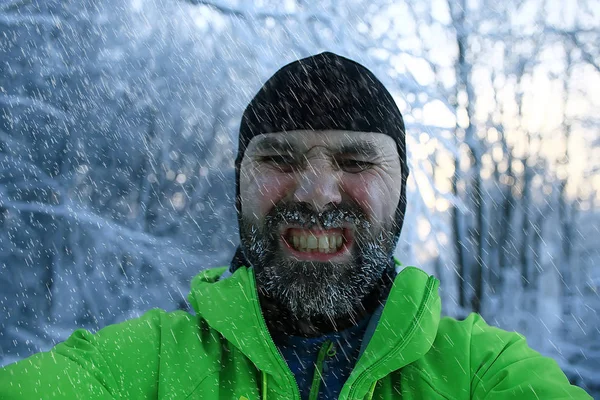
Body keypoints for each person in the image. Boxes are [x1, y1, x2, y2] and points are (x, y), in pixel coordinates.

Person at [0, 52, 591, 400]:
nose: (315, 193)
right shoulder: (148, 368)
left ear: (402, 189)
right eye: (279, 159)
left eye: (356, 161)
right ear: (239, 186)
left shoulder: (477, 373)